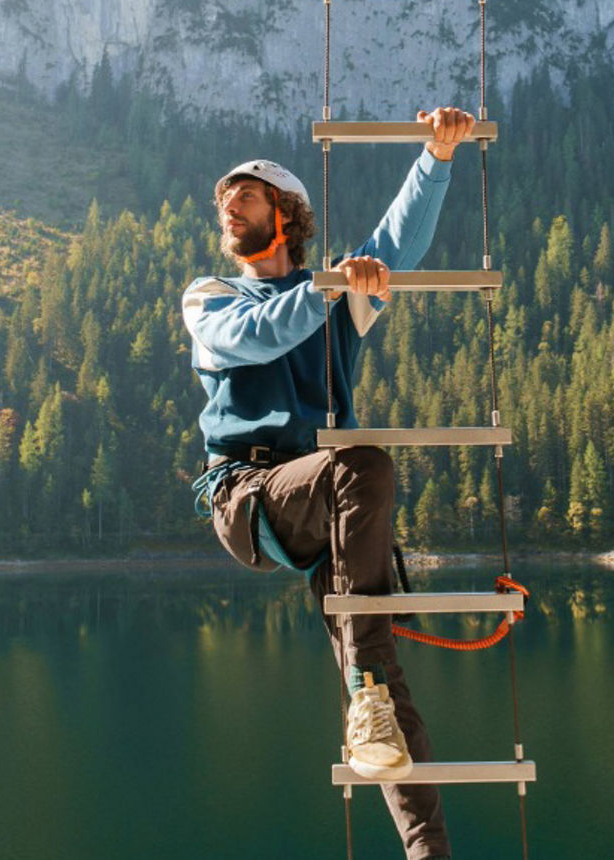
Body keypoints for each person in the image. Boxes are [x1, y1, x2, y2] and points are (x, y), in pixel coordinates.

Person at [183, 107, 474, 860]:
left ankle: (428, 848)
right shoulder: (210, 296)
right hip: (248, 495)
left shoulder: (338, 291)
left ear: (286, 214)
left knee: (380, 687)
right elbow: (256, 337)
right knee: (362, 462)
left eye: (246, 195)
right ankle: (366, 685)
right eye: (225, 199)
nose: (229, 206)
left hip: (326, 497)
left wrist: (437, 155)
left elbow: (396, 244)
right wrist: (331, 287)